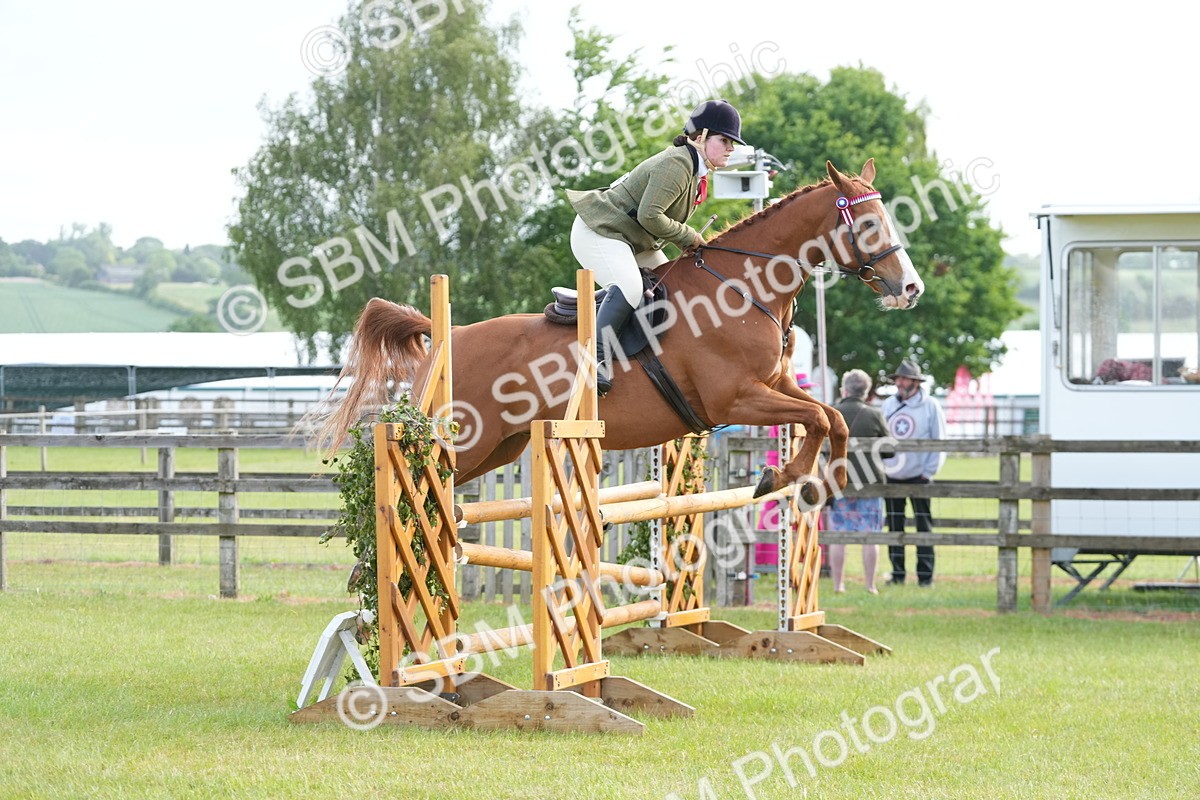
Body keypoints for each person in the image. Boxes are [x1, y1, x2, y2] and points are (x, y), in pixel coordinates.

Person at [566, 99, 745, 396]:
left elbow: (654, 220)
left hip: (632, 238)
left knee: (671, 288)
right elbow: (651, 215)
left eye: (732, 143)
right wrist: (688, 237)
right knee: (631, 288)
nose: (730, 148)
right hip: (598, 232)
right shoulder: (677, 163)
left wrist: (686, 241)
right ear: (700, 137)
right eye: (725, 140)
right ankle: (592, 361)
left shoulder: (694, 169)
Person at [881, 359, 947, 587]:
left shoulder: (931, 406)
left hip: (919, 476)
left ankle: (925, 577)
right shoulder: (889, 404)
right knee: (894, 526)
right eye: (898, 378)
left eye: (904, 378)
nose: (899, 382)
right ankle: (897, 574)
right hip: (892, 475)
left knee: (923, 527)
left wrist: (928, 472)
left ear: (915, 382)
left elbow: (939, 441)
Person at [823, 369, 889, 594]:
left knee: (839, 536)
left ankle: (838, 584)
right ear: (866, 391)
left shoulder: (833, 413)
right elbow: (889, 449)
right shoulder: (874, 414)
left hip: (840, 481)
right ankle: (870, 585)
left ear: (845, 389)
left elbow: (823, 449)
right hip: (870, 483)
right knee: (871, 536)